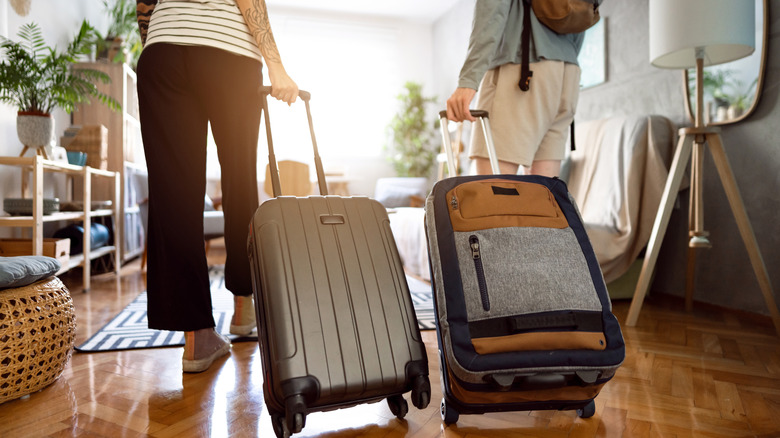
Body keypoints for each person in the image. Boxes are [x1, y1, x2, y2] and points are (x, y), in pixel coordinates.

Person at [135, 0, 298, 373]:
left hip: (162, 51)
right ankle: (244, 306)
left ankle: (198, 338)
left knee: (173, 193)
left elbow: (143, 5)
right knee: (240, 179)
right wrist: (276, 65)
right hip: (229, 52)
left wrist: (163, 39)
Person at [446, 0, 600, 177]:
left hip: (523, 69)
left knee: (492, 194)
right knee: (542, 195)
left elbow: (492, 10)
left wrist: (468, 81)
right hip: (567, 76)